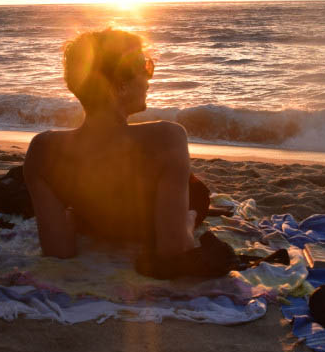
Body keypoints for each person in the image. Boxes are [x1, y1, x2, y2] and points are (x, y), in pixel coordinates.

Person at [23, 29, 197, 260]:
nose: (149, 79)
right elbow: (174, 250)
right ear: (120, 84)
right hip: (154, 222)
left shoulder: (42, 150)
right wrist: (189, 219)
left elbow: (58, 251)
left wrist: (73, 219)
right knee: (197, 192)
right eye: (145, 67)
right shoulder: (167, 138)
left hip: (96, 219)